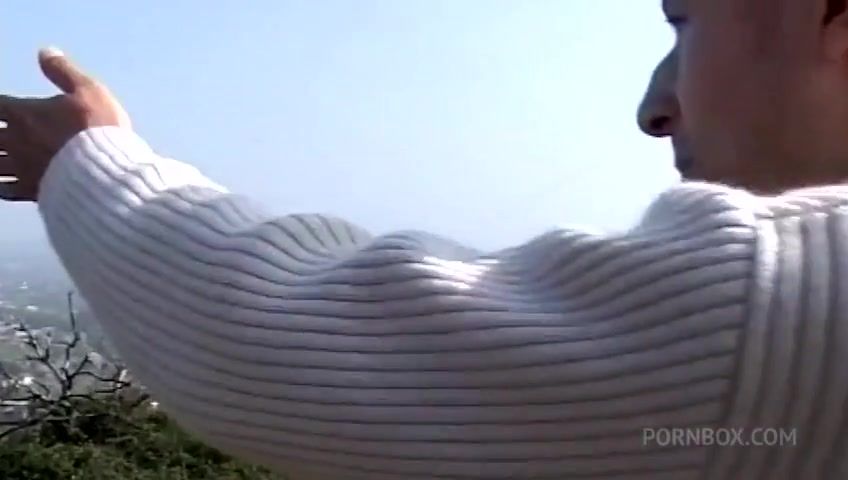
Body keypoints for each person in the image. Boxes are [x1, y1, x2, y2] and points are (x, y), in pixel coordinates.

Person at [2, 0, 848, 478]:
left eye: (685, 19)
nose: (654, 108)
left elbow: (278, 345)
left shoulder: (799, 299)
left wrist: (89, 162)